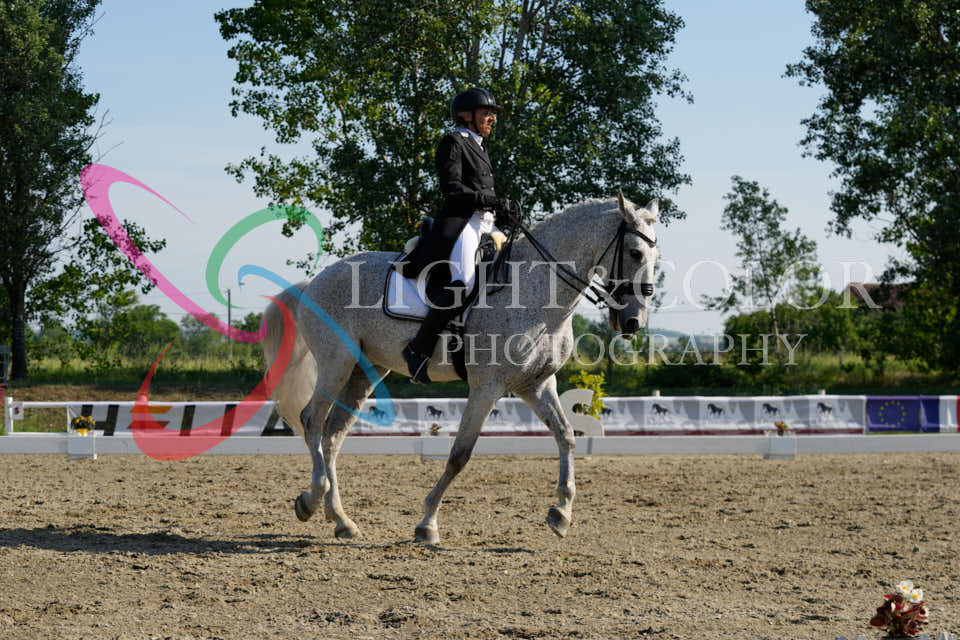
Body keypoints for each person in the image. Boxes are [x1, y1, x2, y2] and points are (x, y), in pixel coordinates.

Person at [399, 87, 519, 384]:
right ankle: (418, 349)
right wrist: (488, 200)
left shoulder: (479, 145)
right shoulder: (453, 142)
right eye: (486, 113)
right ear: (467, 116)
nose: (492, 118)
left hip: (487, 224)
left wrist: (503, 211)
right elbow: (452, 188)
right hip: (464, 223)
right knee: (463, 283)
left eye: (492, 114)